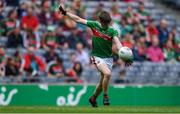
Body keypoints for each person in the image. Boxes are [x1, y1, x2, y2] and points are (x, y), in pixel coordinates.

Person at [59, 4, 132, 107]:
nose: (106, 25)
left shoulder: (112, 31)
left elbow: (118, 43)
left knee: (103, 82)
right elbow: (79, 19)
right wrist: (66, 13)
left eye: (108, 23)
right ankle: (106, 96)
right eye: (104, 23)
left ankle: (93, 98)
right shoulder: (95, 25)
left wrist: (124, 55)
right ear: (101, 21)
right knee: (107, 74)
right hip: (96, 56)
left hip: (108, 58)